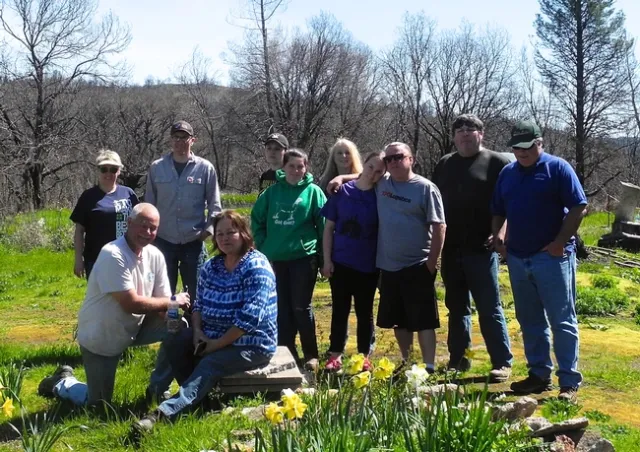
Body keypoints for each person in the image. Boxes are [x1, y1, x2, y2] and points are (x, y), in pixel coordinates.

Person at [133, 210, 277, 432]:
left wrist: (216, 345)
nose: (225, 238)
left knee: (210, 363)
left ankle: (161, 415)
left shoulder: (256, 266)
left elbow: (249, 317)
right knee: (175, 339)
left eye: (231, 232)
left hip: (249, 343)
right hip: (209, 335)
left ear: (244, 233)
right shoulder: (211, 266)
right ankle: (195, 400)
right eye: (220, 234)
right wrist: (198, 332)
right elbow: (198, 304)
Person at [38, 204, 191, 405]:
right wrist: (174, 301)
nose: (147, 232)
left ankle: (157, 390)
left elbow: (164, 304)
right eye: (142, 226)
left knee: (179, 328)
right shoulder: (113, 254)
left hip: (135, 327)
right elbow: (131, 304)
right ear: (129, 224)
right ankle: (62, 382)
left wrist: (174, 322)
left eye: (152, 228)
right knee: (99, 404)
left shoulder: (155, 255)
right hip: (102, 335)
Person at [491, 119, 587, 403]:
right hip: (518, 258)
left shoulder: (557, 168)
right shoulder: (507, 173)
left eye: (527, 146)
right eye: (517, 147)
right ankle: (538, 375)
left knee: (562, 320)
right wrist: (498, 236)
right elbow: (498, 210)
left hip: (552, 259)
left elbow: (579, 206)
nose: (521, 152)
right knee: (530, 319)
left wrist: (559, 243)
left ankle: (568, 381)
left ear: (539, 143)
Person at [328, 142, 446, 372]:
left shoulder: (425, 188)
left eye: (398, 157)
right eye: (389, 159)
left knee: (424, 319)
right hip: (388, 266)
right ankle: (407, 362)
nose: (393, 162)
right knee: (399, 320)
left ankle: (429, 366)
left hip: (418, 264)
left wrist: (432, 263)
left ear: (411, 158)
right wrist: (341, 179)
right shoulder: (383, 183)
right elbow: (367, 173)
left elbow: (440, 226)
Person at [432, 114, 513, 382]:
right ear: (454, 136)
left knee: (489, 307)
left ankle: (502, 362)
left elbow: (511, 203)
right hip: (452, 249)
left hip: (482, 249)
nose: (465, 134)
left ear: (481, 134)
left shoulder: (498, 162)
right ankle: (458, 359)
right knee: (457, 308)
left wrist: (501, 231)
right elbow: (434, 203)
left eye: (471, 129)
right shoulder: (445, 163)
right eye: (460, 130)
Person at [251, 149, 326, 371]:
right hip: (276, 259)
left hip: (304, 258)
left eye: (300, 166)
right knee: (281, 307)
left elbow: (323, 228)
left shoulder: (314, 193)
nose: (295, 170)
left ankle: (311, 354)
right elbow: (257, 221)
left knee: (301, 307)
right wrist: (264, 246)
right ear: (284, 168)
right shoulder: (271, 194)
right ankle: (287, 352)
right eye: (291, 166)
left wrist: (323, 257)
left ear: (306, 169)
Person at [320, 151, 386, 371]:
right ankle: (335, 354)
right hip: (341, 262)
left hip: (368, 265)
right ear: (363, 165)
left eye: (379, 172)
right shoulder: (341, 192)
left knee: (365, 311)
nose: (373, 174)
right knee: (340, 309)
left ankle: (363, 356)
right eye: (370, 168)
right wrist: (326, 260)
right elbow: (328, 229)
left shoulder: (381, 195)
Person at [145, 120, 222, 304]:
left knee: (196, 295)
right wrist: (149, 235)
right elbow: (149, 204)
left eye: (184, 137)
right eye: (176, 137)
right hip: (163, 240)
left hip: (193, 241)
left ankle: (195, 331)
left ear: (192, 140)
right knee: (163, 295)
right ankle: (165, 331)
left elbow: (215, 204)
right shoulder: (157, 167)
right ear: (171, 140)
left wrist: (208, 231)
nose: (180, 141)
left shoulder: (205, 168)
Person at [70, 150, 139, 279]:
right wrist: (78, 259)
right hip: (97, 258)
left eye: (113, 169)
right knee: (101, 298)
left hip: (127, 256)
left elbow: (139, 225)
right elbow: (79, 231)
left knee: (128, 297)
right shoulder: (88, 196)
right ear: (98, 170)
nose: (108, 173)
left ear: (119, 171)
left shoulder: (128, 194)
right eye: (104, 169)